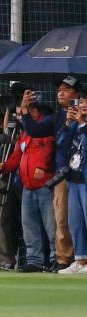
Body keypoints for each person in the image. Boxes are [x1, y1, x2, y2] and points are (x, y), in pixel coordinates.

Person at [19, 77, 81, 271]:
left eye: (67, 90)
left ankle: (80, 258)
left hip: (82, 173)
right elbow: (34, 130)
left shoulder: (83, 114)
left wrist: (79, 120)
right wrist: (25, 109)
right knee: (62, 218)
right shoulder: (57, 117)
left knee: (81, 217)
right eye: (59, 90)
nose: (61, 93)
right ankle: (65, 260)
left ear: (78, 95)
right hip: (63, 173)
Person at [0, 102, 57, 272]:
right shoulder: (25, 133)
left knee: (52, 226)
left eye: (22, 114)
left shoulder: (46, 129)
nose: (19, 118)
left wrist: (43, 167)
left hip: (45, 184)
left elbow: (51, 150)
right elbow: (16, 156)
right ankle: (34, 260)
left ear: (34, 112)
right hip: (27, 186)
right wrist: (4, 166)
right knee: (30, 227)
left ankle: (55, 259)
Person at [56, 98, 87, 273]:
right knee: (76, 222)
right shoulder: (75, 123)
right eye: (81, 101)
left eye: (86, 102)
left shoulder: (82, 123)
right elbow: (61, 144)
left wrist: (82, 123)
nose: (82, 105)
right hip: (74, 178)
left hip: (86, 178)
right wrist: (68, 123)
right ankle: (80, 260)